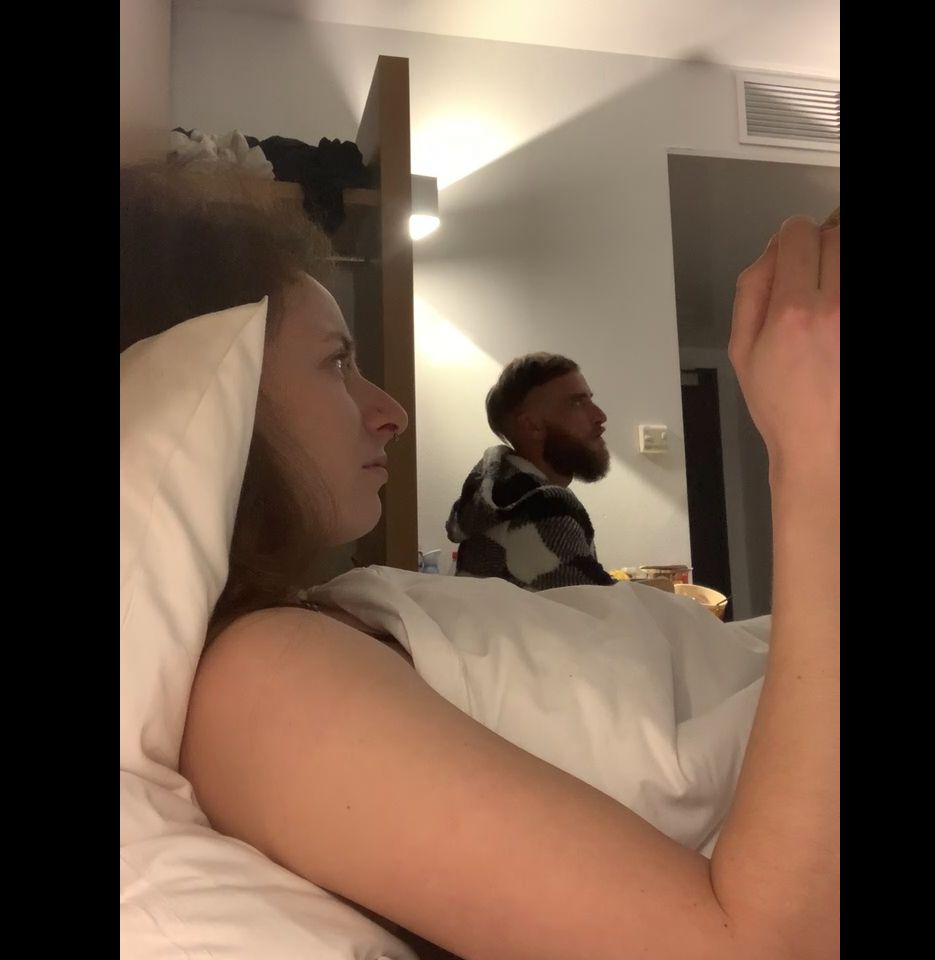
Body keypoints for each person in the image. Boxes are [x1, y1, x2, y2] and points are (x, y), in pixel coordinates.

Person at [121, 162, 839, 960]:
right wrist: (812, 459)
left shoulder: (320, 620)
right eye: (335, 363)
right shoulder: (256, 688)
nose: (390, 413)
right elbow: (754, 945)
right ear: (222, 398)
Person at [446, 353, 615, 589]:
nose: (600, 416)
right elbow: (600, 607)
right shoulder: (541, 507)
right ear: (532, 425)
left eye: (590, 400)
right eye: (576, 403)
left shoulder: (507, 500)